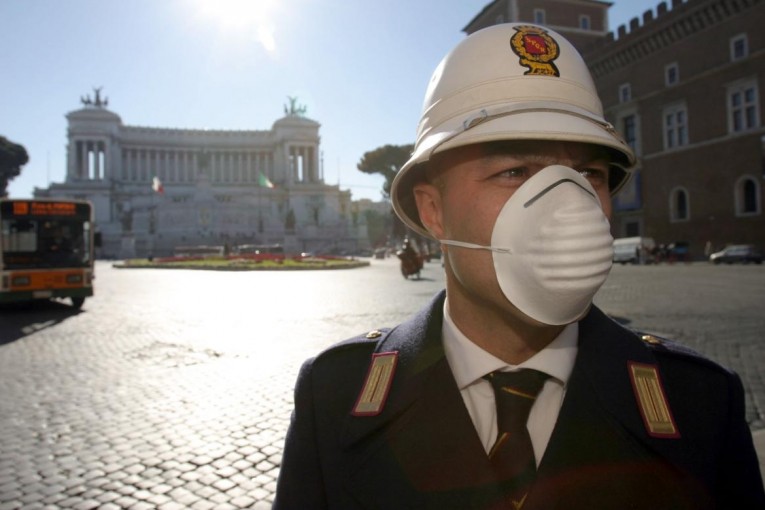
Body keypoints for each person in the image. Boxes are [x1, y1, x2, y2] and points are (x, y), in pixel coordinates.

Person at [273, 24, 765, 509]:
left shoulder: (698, 400)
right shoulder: (334, 395)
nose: (567, 204)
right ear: (433, 211)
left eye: (588, 174)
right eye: (514, 172)